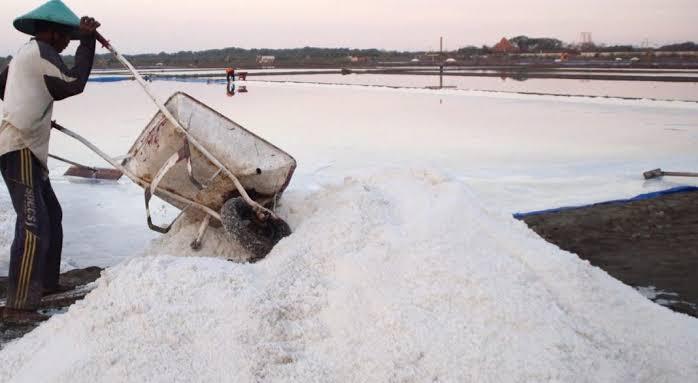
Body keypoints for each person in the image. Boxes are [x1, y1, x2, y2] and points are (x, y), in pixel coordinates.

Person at [0, 0, 100, 322]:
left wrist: (30, 104)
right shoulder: (42, 50)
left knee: (51, 215)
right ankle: (18, 306)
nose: (68, 42)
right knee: (33, 224)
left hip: (27, 145)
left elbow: (4, 86)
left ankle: (44, 284)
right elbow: (73, 83)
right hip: (20, 147)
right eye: (68, 37)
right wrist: (88, 41)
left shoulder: (23, 54)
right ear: (54, 33)